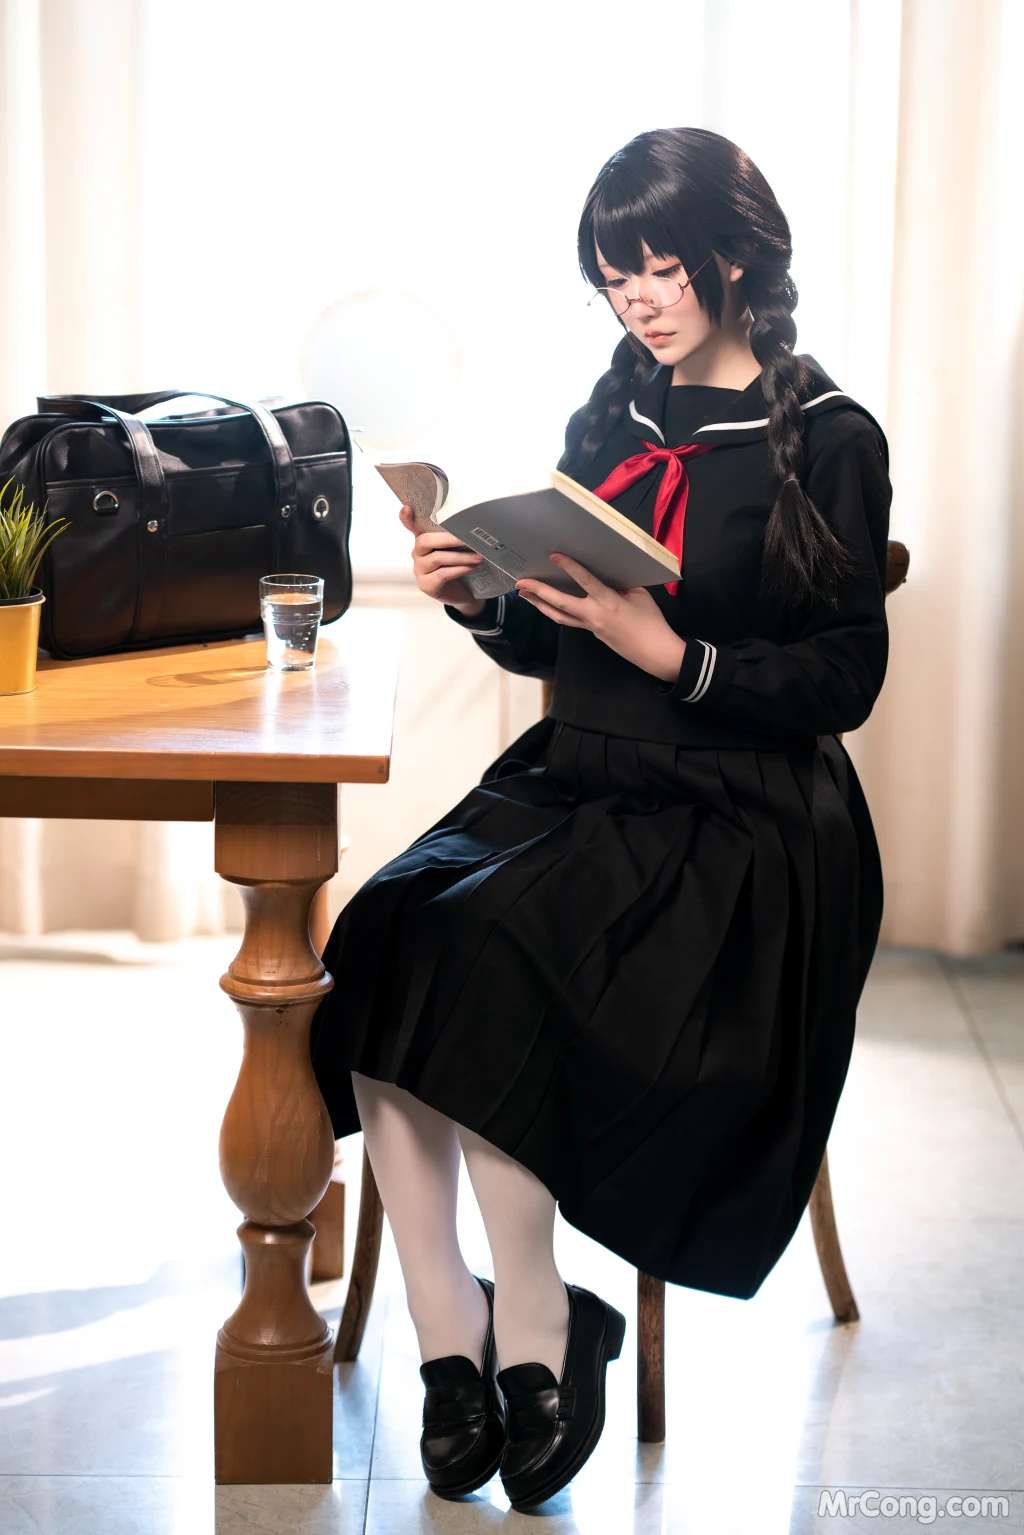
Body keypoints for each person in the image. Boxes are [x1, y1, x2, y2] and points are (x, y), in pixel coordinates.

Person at [308, 124, 892, 1511]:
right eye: (615, 276)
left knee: (490, 953)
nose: (639, 300)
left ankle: (541, 1330)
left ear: (736, 257)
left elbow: (845, 677)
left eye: (661, 269)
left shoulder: (830, 436)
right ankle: (453, 1331)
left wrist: (670, 653)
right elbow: (556, 635)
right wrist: (480, 599)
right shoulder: (614, 415)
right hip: (582, 775)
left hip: (743, 816)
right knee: (387, 933)